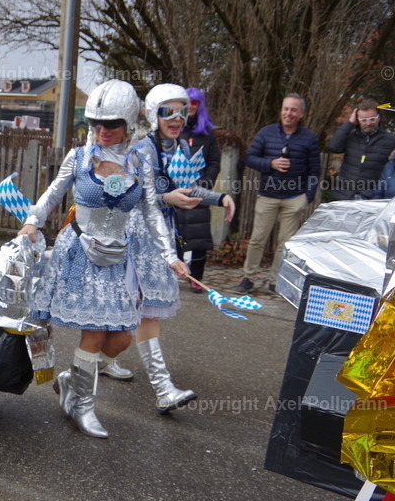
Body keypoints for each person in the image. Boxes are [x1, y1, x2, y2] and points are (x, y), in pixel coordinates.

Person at [18, 79, 188, 438]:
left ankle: (73, 379)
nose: (101, 131)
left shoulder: (138, 161)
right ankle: (82, 405)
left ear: (128, 124)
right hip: (81, 253)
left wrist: (170, 256)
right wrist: (32, 222)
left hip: (117, 258)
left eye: (111, 124)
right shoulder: (79, 157)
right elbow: (51, 195)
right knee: (93, 333)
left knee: (121, 337)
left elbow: (152, 212)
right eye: (95, 123)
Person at [126, 84, 235, 412]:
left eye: (181, 111)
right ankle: (161, 388)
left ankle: (103, 363)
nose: (176, 118)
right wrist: (166, 200)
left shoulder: (176, 147)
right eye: (167, 111)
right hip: (137, 237)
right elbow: (138, 200)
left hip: (162, 234)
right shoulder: (141, 150)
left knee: (139, 310)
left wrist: (219, 197)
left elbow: (184, 188)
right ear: (153, 114)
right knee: (139, 309)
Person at [234, 93, 319, 294]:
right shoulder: (266, 133)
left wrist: (307, 197)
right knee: (257, 239)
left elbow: (314, 171)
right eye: (285, 109)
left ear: (301, 114)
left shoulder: (309, 138)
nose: (288, 113)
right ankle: (248, 278)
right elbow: (250, 158)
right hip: (268, 195)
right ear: (281, 110)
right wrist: (270, 163)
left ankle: (276, 281)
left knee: (285, 244)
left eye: (293, 110)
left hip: (294, 198)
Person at [179, 87, 223, 293]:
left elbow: (214, 161)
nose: (191, 107)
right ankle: (174, 271)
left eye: (194, 103)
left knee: (199, 236)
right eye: (187, 103)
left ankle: (196, 277)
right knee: (175, 233)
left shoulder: (207, 134)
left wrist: (206, 183)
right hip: (176, 190)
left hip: (199, 191)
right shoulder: (174, 129)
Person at [326, 98, 395, 200]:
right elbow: (333, 147)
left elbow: (394, 170)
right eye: (363, 120)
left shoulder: (391, 140)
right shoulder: (350, 135)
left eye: (372, 119)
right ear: (357, 119)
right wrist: (350, 123)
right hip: (344, 195)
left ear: (379, 118)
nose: (368, 123)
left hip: (371, 197)